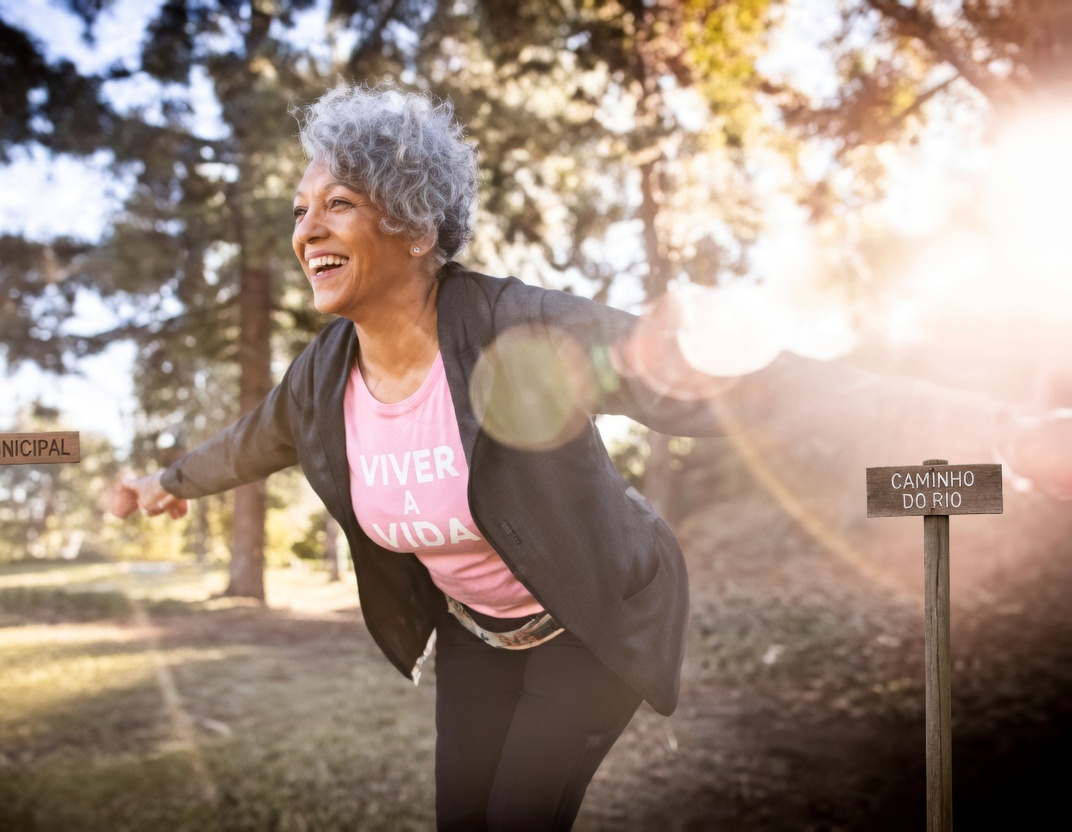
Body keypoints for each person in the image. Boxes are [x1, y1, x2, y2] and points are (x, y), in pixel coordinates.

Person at [110, 83, 1069, 830]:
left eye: (339, 204)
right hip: (477, 634)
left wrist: (996, 428)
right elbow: (249, 442)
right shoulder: (322, 380)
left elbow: (751, 386)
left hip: (593, 620)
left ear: (415, 224)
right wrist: (162, 485)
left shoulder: (522, 330)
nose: (306, 228)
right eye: (299, 208)